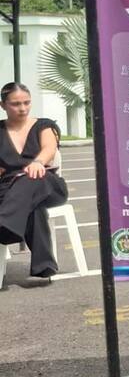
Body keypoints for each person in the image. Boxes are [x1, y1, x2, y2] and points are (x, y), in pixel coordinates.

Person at [0, 83, 68, 279]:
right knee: (33, 206)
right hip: (12, 191)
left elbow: (49, 148)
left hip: (47, 184)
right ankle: (44, 265)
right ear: (3, 105)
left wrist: (38, 162)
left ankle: (4, 225)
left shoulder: (44, 125)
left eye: (27, 102)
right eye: (15, 104)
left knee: (32, 177)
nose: (22, 108)